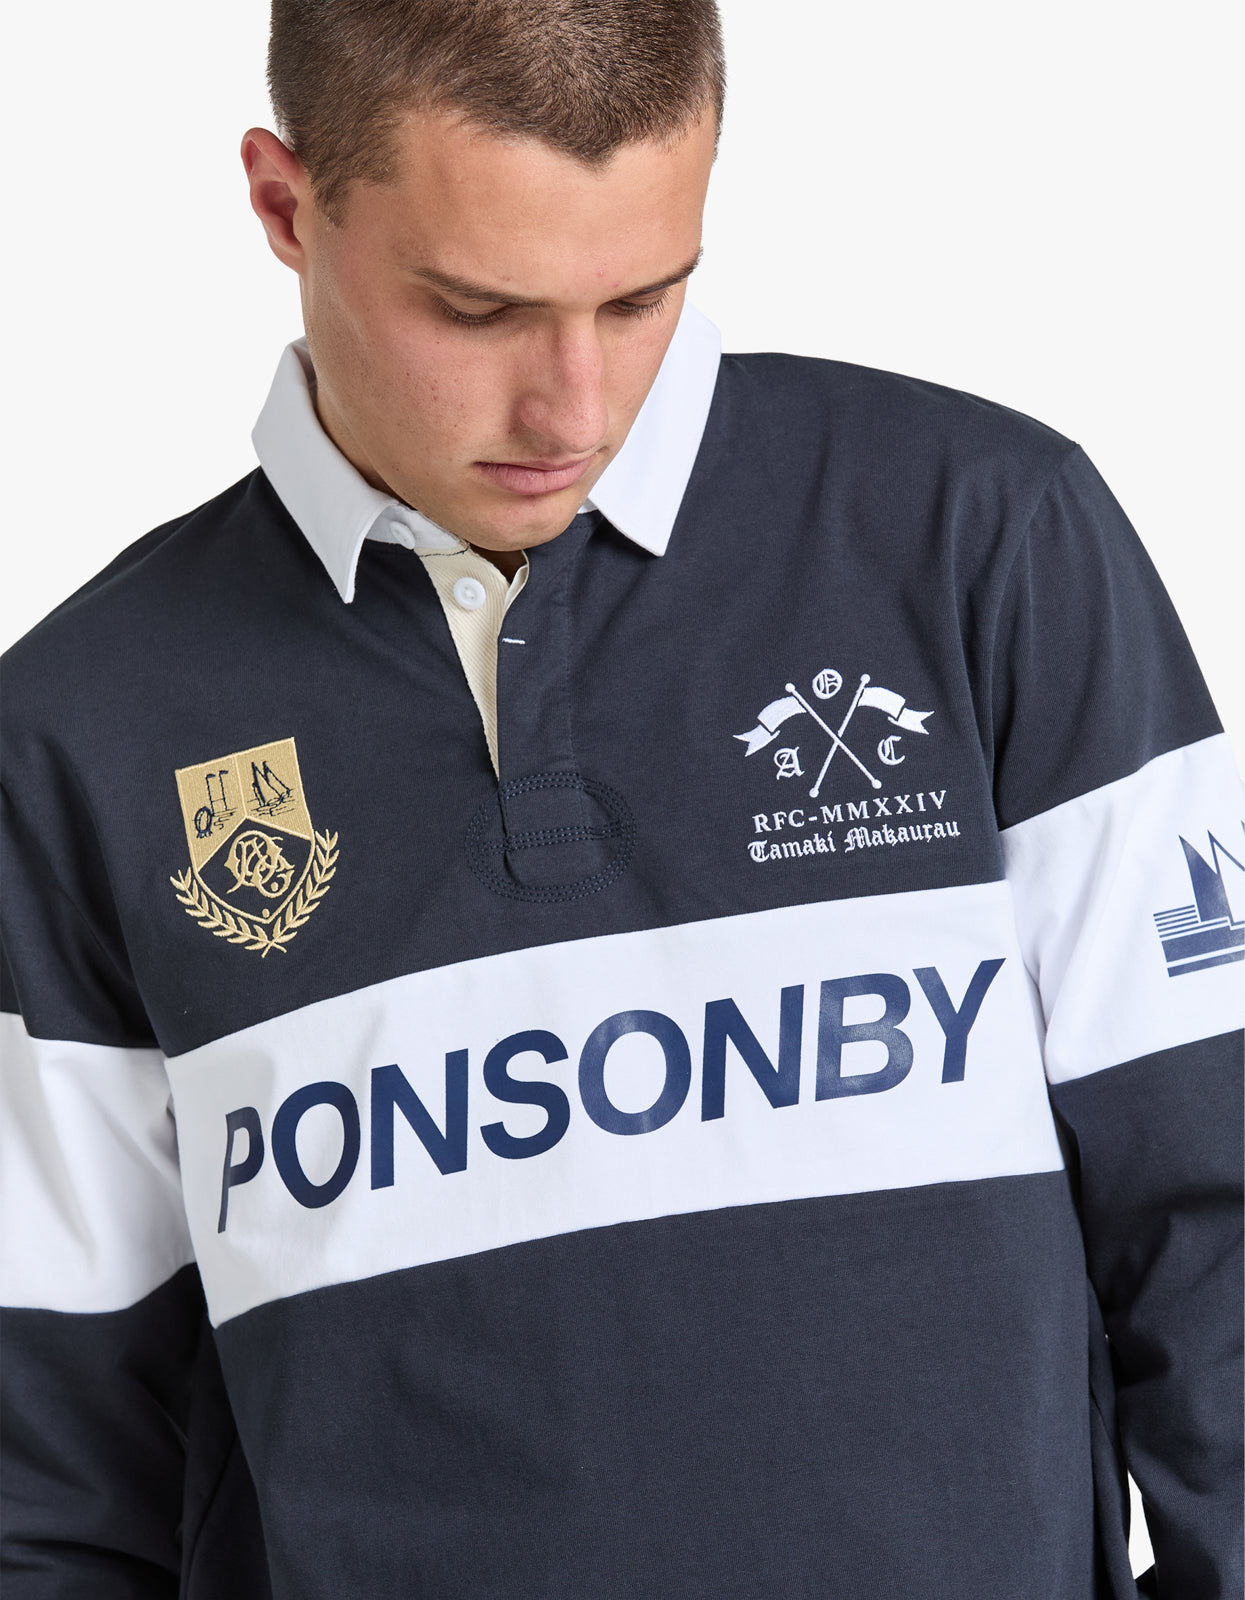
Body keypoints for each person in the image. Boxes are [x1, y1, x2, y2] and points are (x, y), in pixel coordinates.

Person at [2, 1, 1240, 1595]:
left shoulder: (975, 542)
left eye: (643, 297)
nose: (573, 408)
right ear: (285, 205)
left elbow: (1212, 1217)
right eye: (479, 310)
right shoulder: (81, 732)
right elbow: (52, 1461)